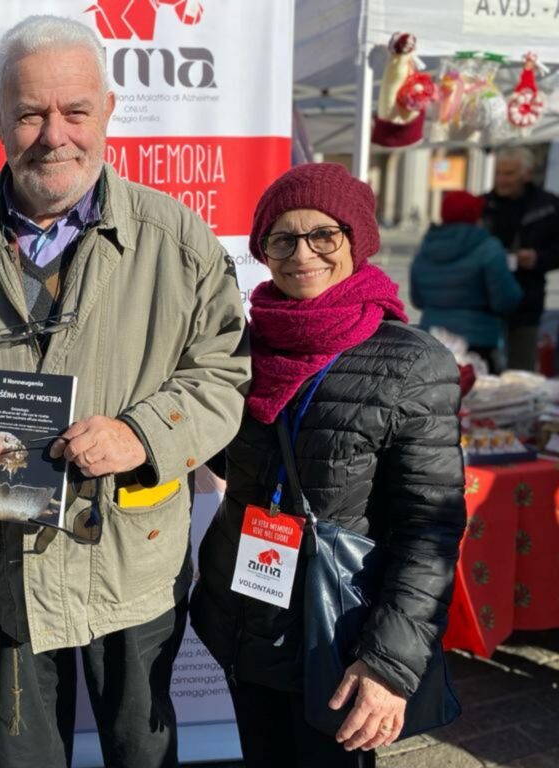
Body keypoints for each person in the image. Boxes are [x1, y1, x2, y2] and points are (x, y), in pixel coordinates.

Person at [0, 15, 249, 768]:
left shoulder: (178, 241)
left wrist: (145, 434)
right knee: (26, 753)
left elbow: (224, 374)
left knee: (140, 748)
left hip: (133, 555)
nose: (54, 135)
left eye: (74, 111)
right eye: (30, 113)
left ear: (108, 111)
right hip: (10, 555)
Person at [190, 163, 466, 767]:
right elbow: (221, 458)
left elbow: (431, 527)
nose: (302, 254)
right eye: (282, 238)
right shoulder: (242, 348)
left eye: (324, 235)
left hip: (340, 635)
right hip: (246, 618)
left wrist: (390, 665)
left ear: (356, 239)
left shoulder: (411, 362)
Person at [411, 190, 523, 373]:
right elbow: (505, 300)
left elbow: (417, 299)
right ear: (476, 215)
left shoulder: (427, 247)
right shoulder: (489, 247)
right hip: (478, 341)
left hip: (432, 337)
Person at [481, 146, 559, 370]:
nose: (501, 180)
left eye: (509, 174)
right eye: (498, 173)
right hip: (484, 301)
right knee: (484, 372)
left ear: (526, 174)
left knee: (520, 371)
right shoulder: (483, 205)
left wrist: (538, 258)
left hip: (527, 298)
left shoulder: (549, 206)